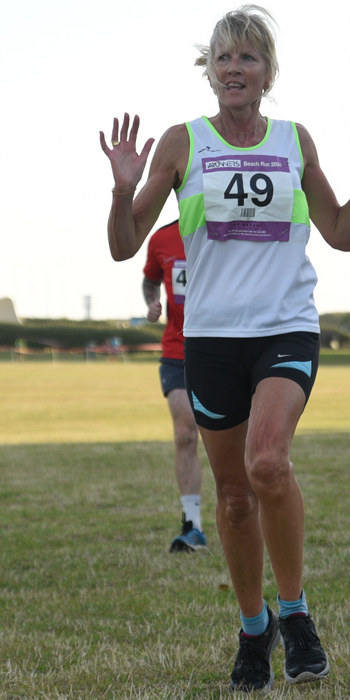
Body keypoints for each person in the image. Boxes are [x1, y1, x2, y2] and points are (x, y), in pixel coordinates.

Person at [100, 5, 350, 691]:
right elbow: (126, 244)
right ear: (208, 71)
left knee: (268, 461)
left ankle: (297, 615)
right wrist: (123, 190)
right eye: (223, 58)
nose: (234, 68)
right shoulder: (182, 144)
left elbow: (340, 233)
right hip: (211, 341)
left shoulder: (294, 139)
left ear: (269, 71)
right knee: (236, 498)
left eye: (248, 58)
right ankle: (254, 628)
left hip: (285, 327)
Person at [142, 219, 206, 552]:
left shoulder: (226, 226)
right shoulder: (162, 238)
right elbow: (150, 280)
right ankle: (192, 526)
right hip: (176, 350)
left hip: (222, 347)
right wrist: (152, 302)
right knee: (185, 430)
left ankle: (245, 513)